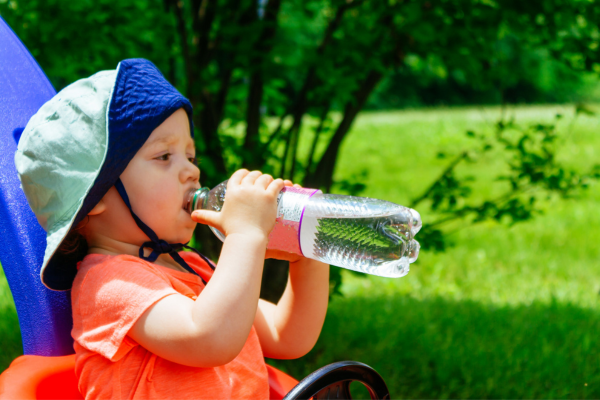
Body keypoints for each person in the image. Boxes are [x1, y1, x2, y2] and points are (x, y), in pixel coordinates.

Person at [15, 59, 329, 399]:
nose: (191, 172)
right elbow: (209, 338)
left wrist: (307, 252)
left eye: (190, 157)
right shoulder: (107, 284)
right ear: (96, 196)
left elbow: (288, 335)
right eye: (164, 156)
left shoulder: (192, 268)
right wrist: (245, 236)